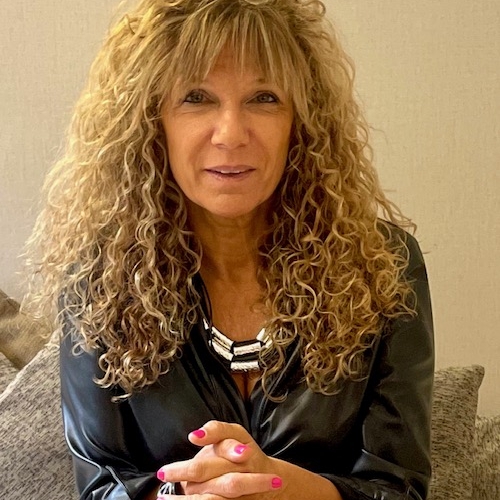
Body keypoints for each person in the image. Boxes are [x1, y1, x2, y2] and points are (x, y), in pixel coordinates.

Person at [25, 0, 434, 499]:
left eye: (264, 98)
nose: (231, 134)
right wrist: (186, 495)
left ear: (302, 122)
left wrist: (280, 489)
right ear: (152, 121)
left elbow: (400, 488)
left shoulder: (383, 265)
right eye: (196, 97)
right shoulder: (98, 279)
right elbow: (99, 487)